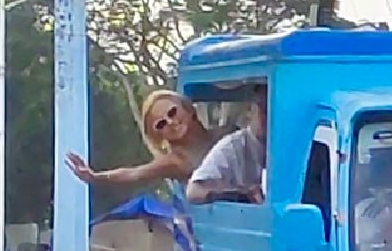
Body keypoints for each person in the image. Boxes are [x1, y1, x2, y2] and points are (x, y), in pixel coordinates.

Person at [66, 90, 221, 188]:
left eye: (172, 112)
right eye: (161, 124)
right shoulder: (176, 161)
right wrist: (95, 177)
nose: (171, 122)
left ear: (187, 108)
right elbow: (135, 173)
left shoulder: (223, 134)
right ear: (159, 136)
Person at [186, 86, 267, 204]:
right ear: (250, 109)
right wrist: (240, 194)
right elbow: (194, 190)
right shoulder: (233, 146)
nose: (272, 116)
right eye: (265, 109)